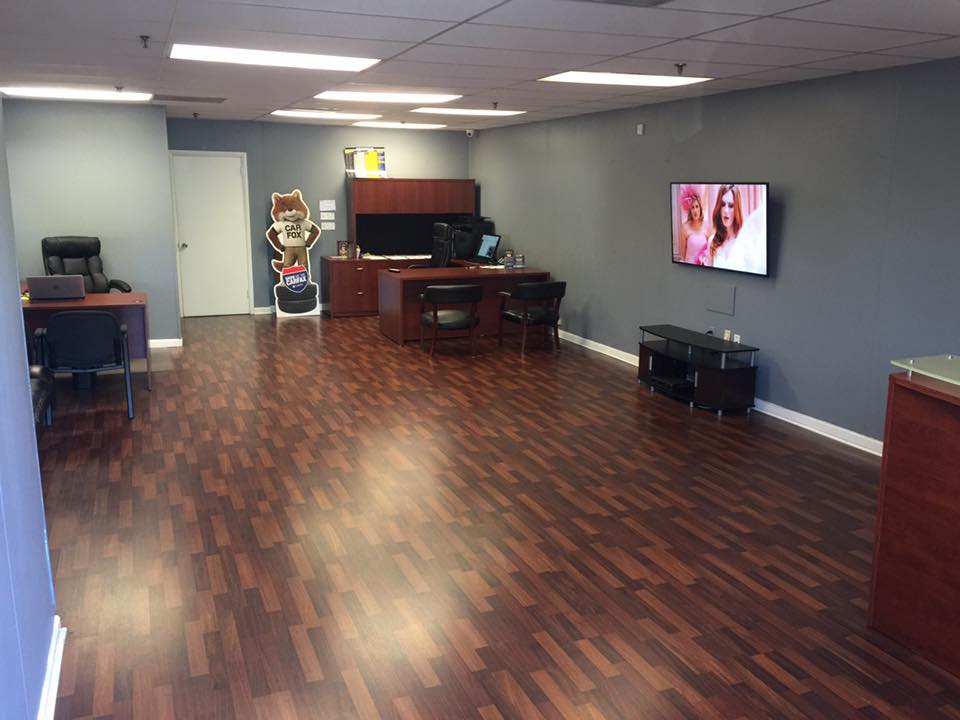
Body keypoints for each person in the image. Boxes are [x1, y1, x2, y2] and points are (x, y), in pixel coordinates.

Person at [677, 185, 709, 264]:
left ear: (700, 208)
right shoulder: (684, 227)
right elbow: (682, 256)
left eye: (697, 207)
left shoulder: (707, 226)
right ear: (690, 210)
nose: (695, 210)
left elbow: (709, 252)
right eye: (692, 207)